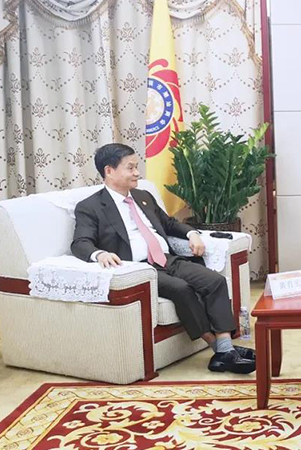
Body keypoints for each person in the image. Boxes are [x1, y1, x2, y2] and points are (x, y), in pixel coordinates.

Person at [71, 143, 255, 375]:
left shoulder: (143, 196)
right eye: (130, 168)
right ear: (109, 171)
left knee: (214, 281)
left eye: (136, 167)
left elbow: (168, 223)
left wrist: (192, 233)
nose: (137, 173)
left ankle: (225, 350)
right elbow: (80, 242)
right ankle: (220, 349)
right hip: (139, 269)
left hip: (167, 259)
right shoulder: (90, 207)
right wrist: (100, 254)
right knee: (181, 289)